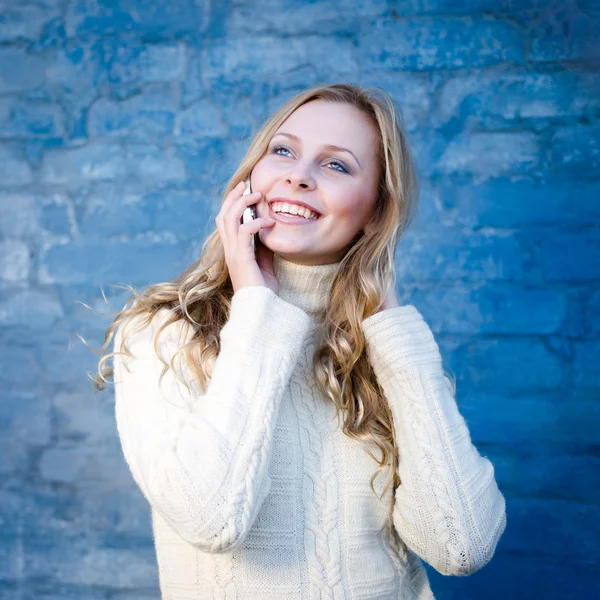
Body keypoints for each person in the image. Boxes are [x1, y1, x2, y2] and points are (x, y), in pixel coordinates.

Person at [93, 83, 507, 599]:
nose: (298, 176)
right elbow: (211, 518)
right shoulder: (162, 332)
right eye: (283, 151)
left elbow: (460, 547)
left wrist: (391, 322)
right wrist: (256, 311)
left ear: (376, 211)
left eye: (337, 166)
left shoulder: (387, 349)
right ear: (250, 176)